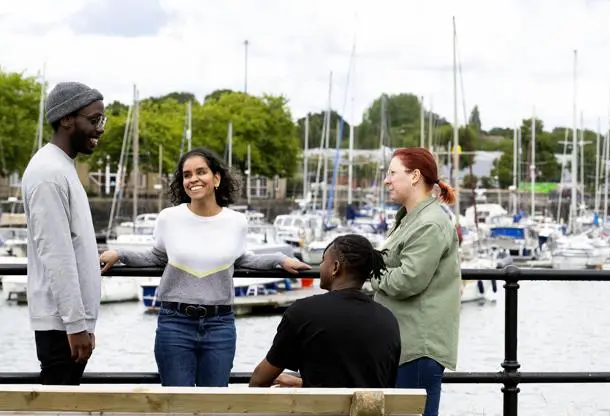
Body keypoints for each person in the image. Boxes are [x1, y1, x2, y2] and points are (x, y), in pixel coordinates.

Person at [99, 148, 310, 387]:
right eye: (187, 175)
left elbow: (242, 258)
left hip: (220, 324)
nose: (193, 179)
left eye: (201, 172)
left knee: (215, 405)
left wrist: (280, 260)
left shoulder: (236, 221)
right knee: (177, 405)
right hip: (174, 323)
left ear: (217, 178)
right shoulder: (169, 218)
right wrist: (119, 253)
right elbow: (157, 256)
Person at [21, 81, 106, 385]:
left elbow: (72, 242)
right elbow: (56, 254)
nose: (100, 129)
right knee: (59, 403)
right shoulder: (48, 173)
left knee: (66, 403)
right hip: (62, 325)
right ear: (67, 118)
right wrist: (76, 326)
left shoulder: (62, 167)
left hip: (70, 322)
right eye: (94, 120)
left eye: (102, 120)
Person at [372, 147, 461, 416]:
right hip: (405, 345)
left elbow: (407, 280)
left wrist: (369, 273)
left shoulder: (429, 223)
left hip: (418, 347)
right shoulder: (411, 218)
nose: (387, 180)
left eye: (392, 173)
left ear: (414, 177)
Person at [250, 234, 401, 388]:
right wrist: (302, 384)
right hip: (368, 410)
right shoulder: (388, 320)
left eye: (323, 260)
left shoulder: (303, 312)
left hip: (317, 410)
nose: (320, 266)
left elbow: (260, 379)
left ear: (335, 267)